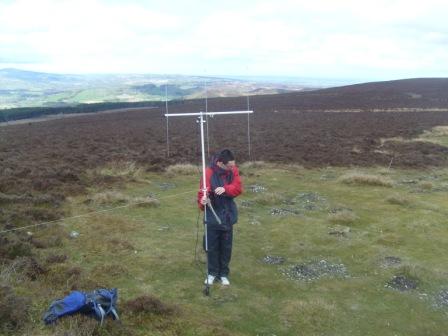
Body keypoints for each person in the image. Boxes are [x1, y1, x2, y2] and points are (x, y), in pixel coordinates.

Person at [197, 149, 242, 286]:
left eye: (233, 165)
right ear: (220, 163)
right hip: (212, 215)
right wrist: (203, 201)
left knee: (226, 247)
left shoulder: (233, 170)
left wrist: (226, 189)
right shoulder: (208, 172)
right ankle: (211, 273)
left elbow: (238, 188)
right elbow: (202, 193)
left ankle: (223, 274)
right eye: (229, 166)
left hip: (228, 214)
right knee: (211, 246)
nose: (232, 168)